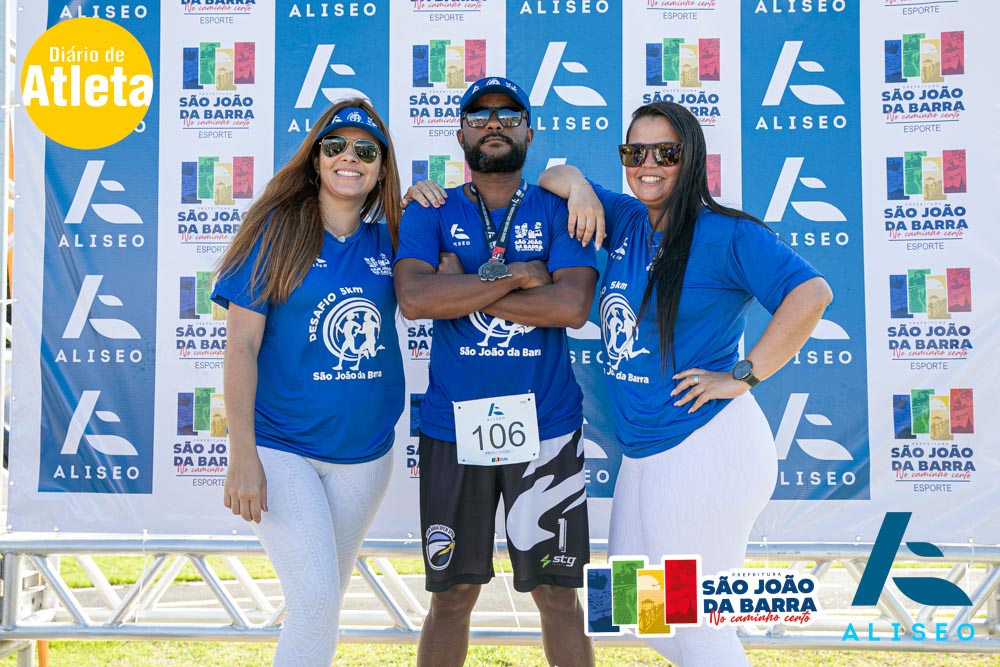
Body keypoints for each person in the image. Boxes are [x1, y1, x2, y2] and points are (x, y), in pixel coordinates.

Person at [537, 101, 833, 666]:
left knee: (695, 622)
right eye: (635, 152)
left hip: (705, 447)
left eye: (665, 152)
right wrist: (578, 188)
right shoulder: (626, 217)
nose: (648, 164)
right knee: (633, 609)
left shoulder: (725, 234)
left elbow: (812, 294)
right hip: (646, 452)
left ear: (691, 157)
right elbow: (555, 176)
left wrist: (744, 375)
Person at [395, 76, 597, 667]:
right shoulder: (430, 208)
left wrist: (461, 286)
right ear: (460, 133)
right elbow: (415, 299)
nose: (493, 124)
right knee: (452, 596)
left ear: (529, 132)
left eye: (509, 115)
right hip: (454, 429)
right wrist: (519, 275)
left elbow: (571, 306)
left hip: (546, 427)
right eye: (478, 115)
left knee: (558, 595)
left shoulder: (558, 207)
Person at [211, 99, 403, 667]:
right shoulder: (276, 232)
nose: (350, 158)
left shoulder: (394, 238)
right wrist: (242, 454)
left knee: (319, 605)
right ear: (316, 159)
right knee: (317, 601)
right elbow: (241, 347)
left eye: (366, 151)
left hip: (365, 457)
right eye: (336, 146)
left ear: (382, 169)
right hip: (281, 450)